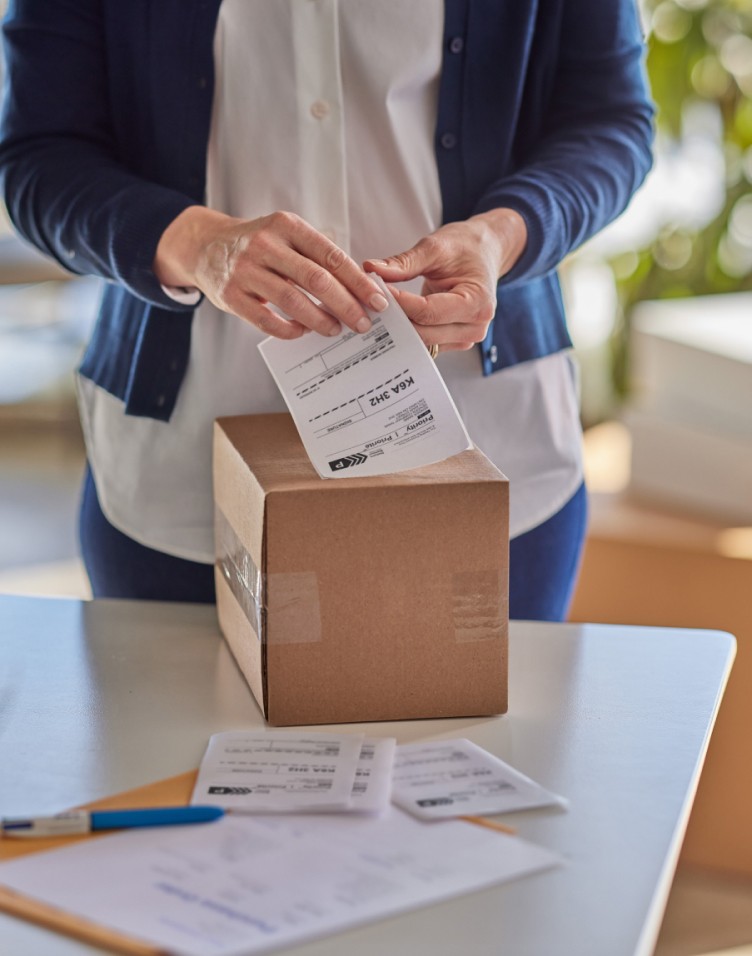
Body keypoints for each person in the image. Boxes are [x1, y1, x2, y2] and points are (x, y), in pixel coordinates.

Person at [0, 0, 653, 620]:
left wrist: (501, 236)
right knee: (170, 741)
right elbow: (39, 154)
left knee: (494, 739)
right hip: (185, 481)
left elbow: (611, 120)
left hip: (493, 457)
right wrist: (195, 244)